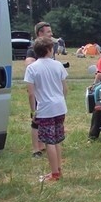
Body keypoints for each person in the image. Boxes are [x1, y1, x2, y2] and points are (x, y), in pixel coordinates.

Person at [24, 36, 68, 182]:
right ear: (49, 50)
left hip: (45, 108)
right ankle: (59, 169)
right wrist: (61, 101)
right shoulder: (58, 65)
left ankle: (54, 173)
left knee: (49, 141)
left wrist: (33, 111)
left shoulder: (32, 68)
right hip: (60, 107)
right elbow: (64, 88)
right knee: (57, 139)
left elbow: (31, 93)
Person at [25, 21, 54, 157]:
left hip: (49, 89)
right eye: (48, 32)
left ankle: (43, 145)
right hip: (38, 90)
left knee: (47, 117)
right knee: (36, 118)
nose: (51, 34)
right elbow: (29, 62)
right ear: (40, 33)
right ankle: (36, 149)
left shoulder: (49, 47)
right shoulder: (33, 48)